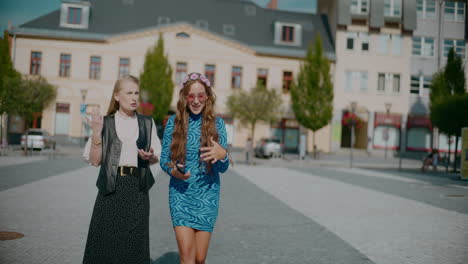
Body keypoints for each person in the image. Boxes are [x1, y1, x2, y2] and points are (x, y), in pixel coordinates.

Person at [82, 75, 161, 264]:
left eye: (136, 93)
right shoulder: (106, 123)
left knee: (134, 247)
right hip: (110, 188)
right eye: (129, 93)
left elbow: (157, 155)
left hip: (137, 190)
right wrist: (95, 133)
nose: (134, 97)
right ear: (117, 96)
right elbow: (94, 161)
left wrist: (151, 157)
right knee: (104, 246)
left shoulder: (147, 123)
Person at [160, 72, 229, 264]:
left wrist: (223, 155)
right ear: (185, 98)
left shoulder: (218, 124)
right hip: (180, 195)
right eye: (191, 96)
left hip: (208, 196)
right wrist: (174, 171)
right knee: (187, 258)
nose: (196, 101)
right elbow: (165, 159)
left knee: (199, 259)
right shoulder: (173, 123)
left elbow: (223, 168)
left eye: (201, 96)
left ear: (207, 97)